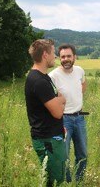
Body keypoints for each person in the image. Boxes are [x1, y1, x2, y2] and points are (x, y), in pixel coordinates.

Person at [24, 39, 67, 187]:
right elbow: (57, 113)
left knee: (54, 177)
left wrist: (59, 101)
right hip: (48, 139)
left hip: (52, 135)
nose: (55, 56)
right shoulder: (38, 81)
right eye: (53, 53)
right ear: (44, 55)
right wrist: (62, 100)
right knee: (55, 181)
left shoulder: (44, 77)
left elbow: (54, 103)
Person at [49, 43, 87, 183]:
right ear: (59, 58)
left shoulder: (80, 71)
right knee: (63, 155)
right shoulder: (52, 76)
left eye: (68, 56)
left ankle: (79, 181)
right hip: (63, 120)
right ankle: (68, 182)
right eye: (62, 56)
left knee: (82, 153)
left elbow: (83, 85)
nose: (65, 59)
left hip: (79, 118)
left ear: (75, 57)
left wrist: (76, 98)